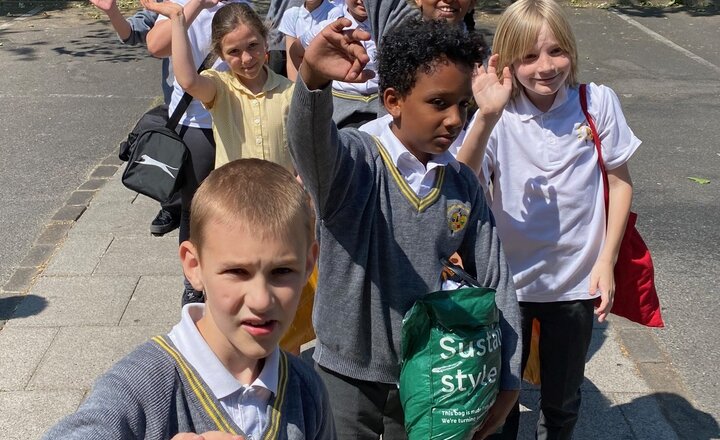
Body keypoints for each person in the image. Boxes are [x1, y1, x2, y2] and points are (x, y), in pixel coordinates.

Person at [288, 17, 522, 440]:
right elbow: (309, 144)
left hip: (427, 375)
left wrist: (508, 377)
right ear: (393, 100)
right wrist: (312, 78)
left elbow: (497, 279)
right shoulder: (356, 164)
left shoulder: (462, 185)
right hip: (344, 374)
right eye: (438, 102)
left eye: (463, 105)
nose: (454, 119)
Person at [42, 159, 335, 440]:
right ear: (194, 267)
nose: (260, 300)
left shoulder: (306, 390)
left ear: (309, 263)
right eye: (236, 271)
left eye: (282, 271)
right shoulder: (138, 389)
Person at [459, 0, 639, 438]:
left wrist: (605, 262)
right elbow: (461, 184)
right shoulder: (497, 113)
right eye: (529, 56)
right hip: (507, 282)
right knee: (500, 401)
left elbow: (619, 184)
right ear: (507, 60)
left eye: (556, 51)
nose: (546, 66)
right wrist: (486, 115)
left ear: (572, 51)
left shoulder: (596, 103)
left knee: (562, 402)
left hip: (575, 281)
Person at [142, 0, 294, 171]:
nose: (246, 58)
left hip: (244, 121)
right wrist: (186, 12)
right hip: (196, 123)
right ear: (220, 54)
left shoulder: (242, 5)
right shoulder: (182, 3)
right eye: (234, 51)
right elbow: (158, 50)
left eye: (252, 46)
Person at [89, 0, 182, 236]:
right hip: (182, 103)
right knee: (179, 157)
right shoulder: (168, 4)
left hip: (224, 99)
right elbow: (133, 34)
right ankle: (172, 205)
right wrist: (112, 12)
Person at [278, 0, 338, 81]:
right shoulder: (291, 15)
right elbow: (291, 62)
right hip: (300, 81)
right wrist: (296, 89)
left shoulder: (335, 13)